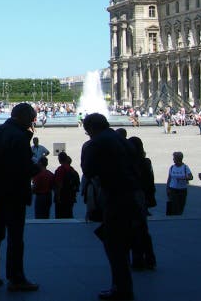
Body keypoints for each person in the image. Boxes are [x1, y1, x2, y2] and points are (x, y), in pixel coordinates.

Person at [0, 102, 40, 292]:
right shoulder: (18, 137)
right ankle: (16, 277)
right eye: (31, 118)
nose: (33, 122)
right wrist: (38, 167)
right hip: (13, 192)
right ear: (22, 117)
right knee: (15, 237)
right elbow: (21, 168)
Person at [81, 113, 142, 301]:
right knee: (121, 241)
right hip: (132, 193)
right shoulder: (120, 138)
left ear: (91, 128)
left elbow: (88, 169)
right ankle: (124, 285)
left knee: (114, 244)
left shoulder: (97, 142)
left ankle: (122, 289)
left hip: (115, 194)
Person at [127, 136, 156, 270]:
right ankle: (150, 259)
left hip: (132, 197)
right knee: (143, 230)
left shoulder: (128, 162)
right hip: (142, 198)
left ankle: (137, 259)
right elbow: (150, 181)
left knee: (133, 230)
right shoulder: (146, 162)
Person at [53, 151, 80, 219]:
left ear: (59, 159)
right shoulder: (73, 170)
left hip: (62, 197)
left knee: (60, 218)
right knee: (69, 215)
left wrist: (58, 197)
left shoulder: (60, 169)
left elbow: (59, 184)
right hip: (71, 197)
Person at [166, 151, 193, 216]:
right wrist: (167, 188)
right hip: (173, 189)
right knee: (173, 206)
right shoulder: (172, 167)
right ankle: (174, 219)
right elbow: (169, 178)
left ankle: (178, 218)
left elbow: (191, 177)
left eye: (174, 158)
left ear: (178, 158)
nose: (173, 159)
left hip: (182, 190)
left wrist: (183, 178)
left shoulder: (185, 167)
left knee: (181, 206)